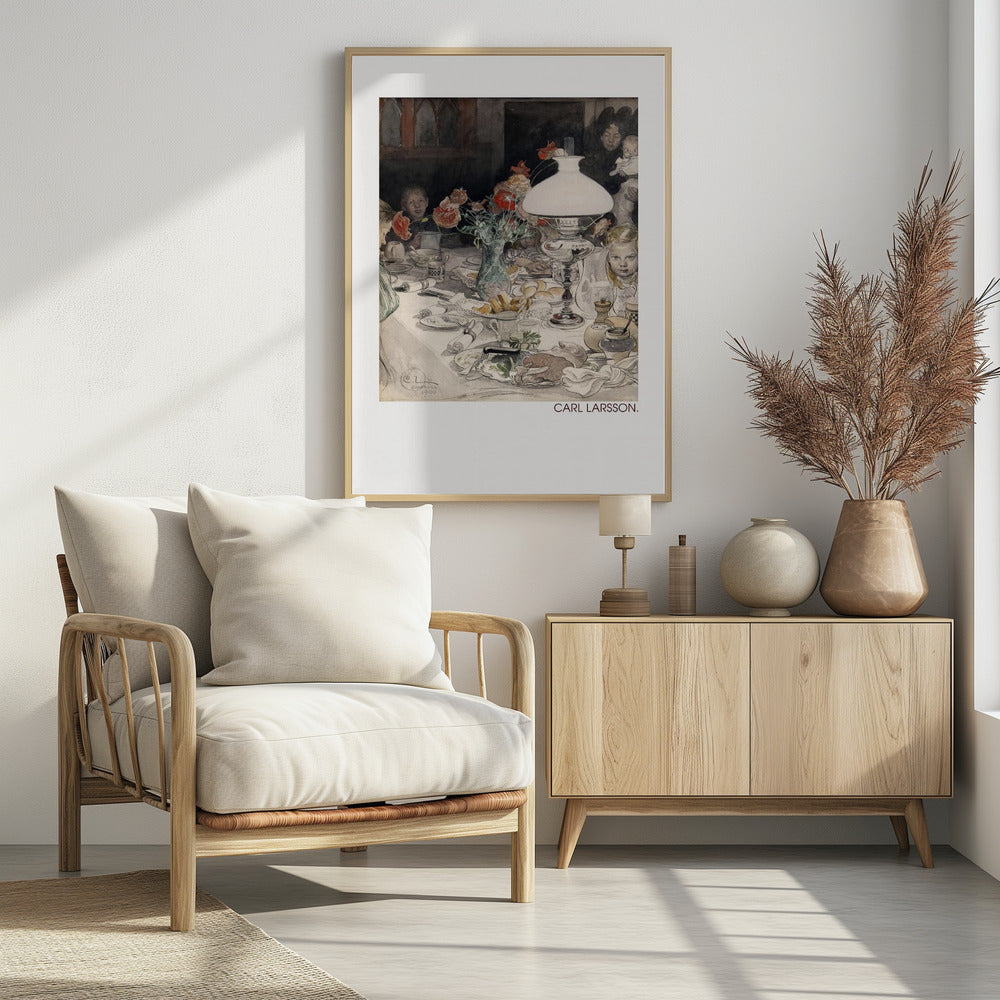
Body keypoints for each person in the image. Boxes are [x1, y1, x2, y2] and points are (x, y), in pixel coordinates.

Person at [610, 135, 638, 225]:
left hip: (634, 185)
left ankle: (625, 223)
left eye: (635, 150)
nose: (631, 153)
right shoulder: (622, 161)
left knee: (627, 205)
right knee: (617, 201)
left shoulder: (639, 160)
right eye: (627, 150)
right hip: (624, 185)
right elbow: (612, 173)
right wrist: (618, 170)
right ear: (622, 149)